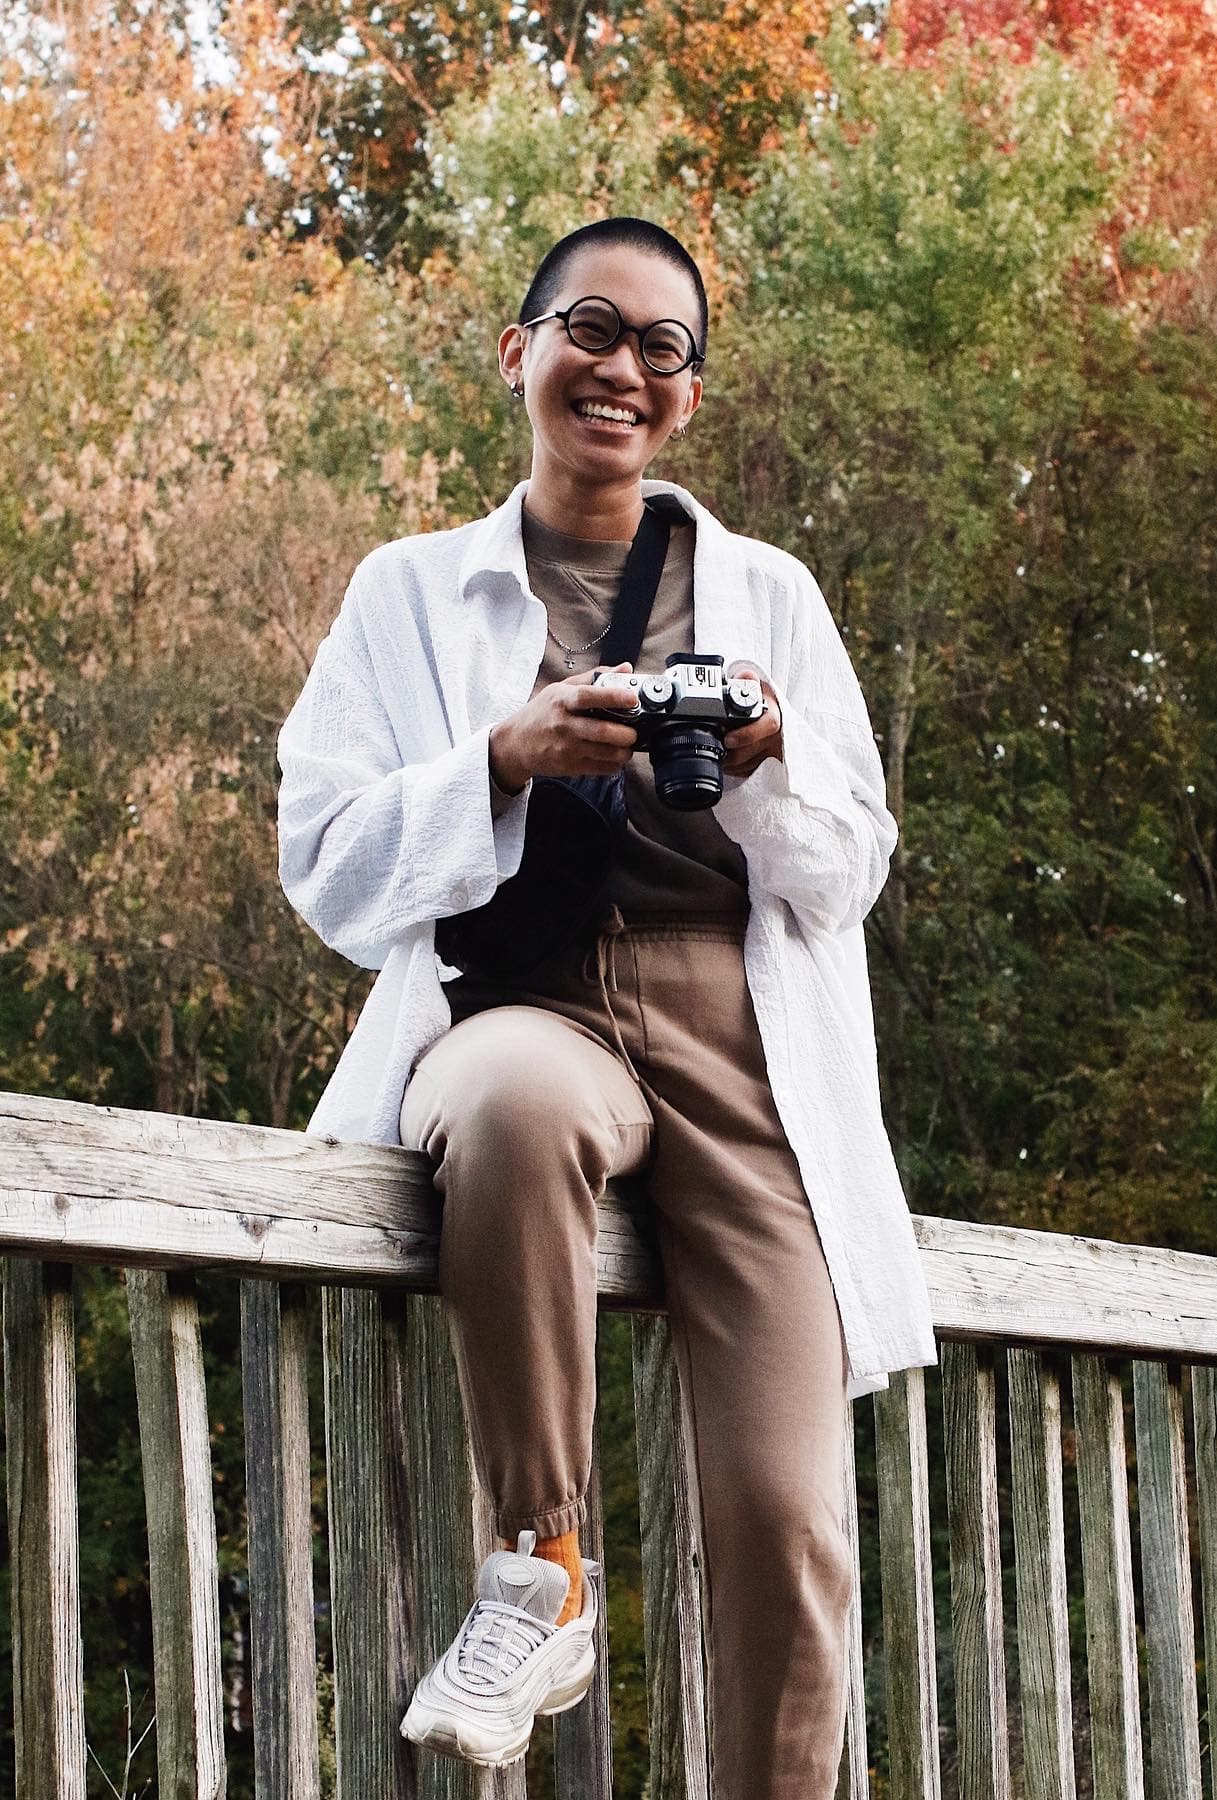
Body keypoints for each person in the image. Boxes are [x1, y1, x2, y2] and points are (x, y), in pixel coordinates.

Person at [276, 216, 938, 1798]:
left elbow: (851, 874)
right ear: (518, 354)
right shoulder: (409, 594)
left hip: (743, 1039)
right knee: (506, 1105)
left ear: (691, 398)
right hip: (530, 1003)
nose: (623, 368)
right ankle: (543, 1570)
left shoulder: (769, 592)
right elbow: (323, 864)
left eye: (664, 348)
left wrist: (767, 761)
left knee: (785, 1520)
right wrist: (499, 760)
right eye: (590, 326)